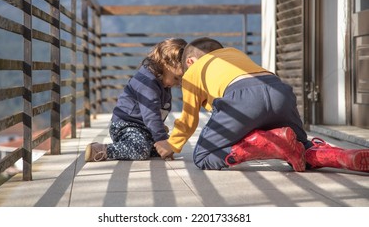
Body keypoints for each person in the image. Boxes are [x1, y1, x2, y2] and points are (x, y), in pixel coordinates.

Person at [154, 37, 369, 173]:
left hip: (242, 100)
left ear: (190, 62)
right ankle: (342, 156)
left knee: (202, 156)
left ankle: (262, 142)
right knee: (301, 147)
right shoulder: (234, 54)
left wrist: (172, 145)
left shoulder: (193, 71)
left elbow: (189, 120)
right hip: (279, 92)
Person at [85, 38, 187, 162]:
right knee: (141, 150)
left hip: (144, 127)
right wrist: (160, 138)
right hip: (126, 125)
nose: (178, 83)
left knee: (165, 147)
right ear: (166, 64)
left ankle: (151, 137)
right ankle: (101, 150)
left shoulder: (163, 82)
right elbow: (151, 114)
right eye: (177, 78)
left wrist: (163, 138)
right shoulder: (147, 83)